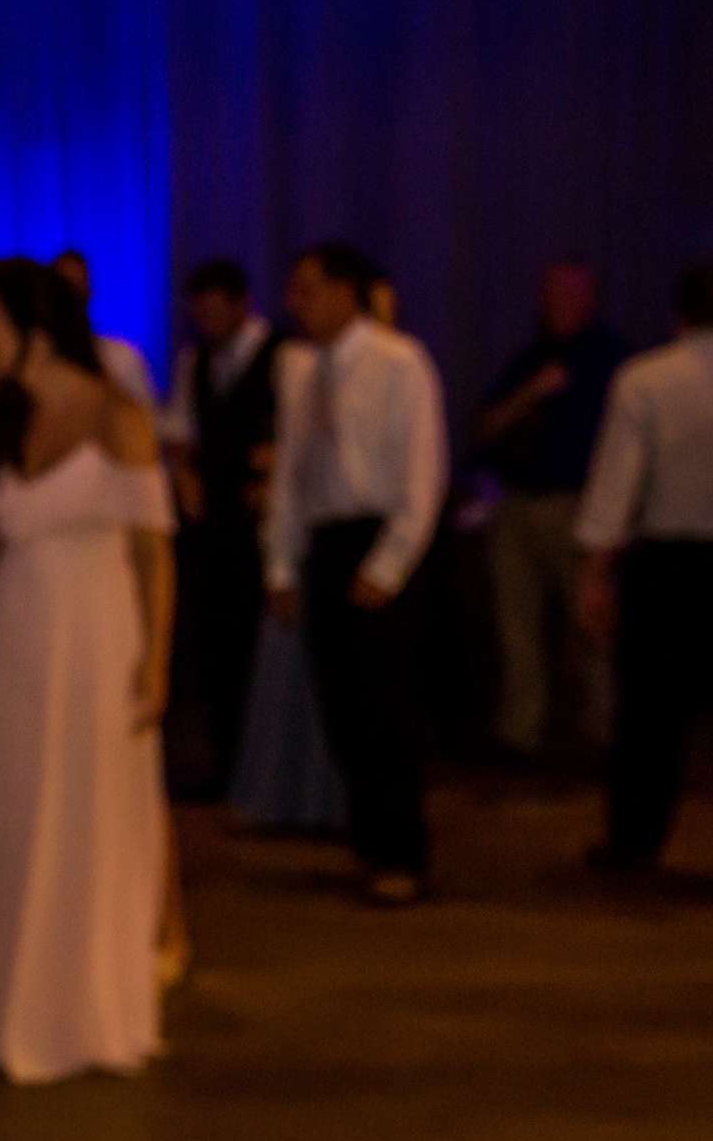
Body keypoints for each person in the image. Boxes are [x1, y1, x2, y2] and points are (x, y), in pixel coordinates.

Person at [0, 258, 174, 1082]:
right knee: (7, 803)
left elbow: (154, 553)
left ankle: (82, 1014)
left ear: (34, 328)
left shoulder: (117, 415)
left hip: (96, 635)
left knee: (87, 811)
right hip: (13, 634)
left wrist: (157, 663)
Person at [264, 243, 448, 906]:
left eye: (309, 289)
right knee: (342, 705)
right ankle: (370, 844)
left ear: (347, 291)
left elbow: (423, 474)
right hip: (326, 543)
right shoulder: (306, 371)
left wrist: (391, 564)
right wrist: (281, 563)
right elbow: (291, 477)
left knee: (388, 706)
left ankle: (403, 851)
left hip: (379, 541)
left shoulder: (400, 361)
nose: (297, 303)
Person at [574, 262, 713, 872]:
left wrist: (595, 570)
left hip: (667, 566)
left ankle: (635, 841)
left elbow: (615, 487)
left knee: (650, 714)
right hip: (671, 561)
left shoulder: (646, 379)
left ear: (677, 313)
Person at [474, 261, 628, 759]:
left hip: (578, 505)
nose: (558, 302)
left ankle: (604, 732)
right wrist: (527, 396)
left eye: (570, 293)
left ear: (589, 298)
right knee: (515, 625)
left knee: (591, 623)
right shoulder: (528, 361)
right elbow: (485, 429)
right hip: (518, 504)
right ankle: (520, 729)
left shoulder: (611, 361)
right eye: (551, 293)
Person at [163, 258, 288, 797]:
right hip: (211, 525)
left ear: (240, 304)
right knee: (214, 644)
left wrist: (275, 476)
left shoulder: (283, 357)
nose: (207, 321)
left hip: (262, 521)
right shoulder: (196, 362)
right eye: (200, 313)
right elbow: (181, 433)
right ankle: (224, 763)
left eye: (216, 311)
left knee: (255, 644)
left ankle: (260, 769)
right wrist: (186, 476)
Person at [52, 248, 158, 406]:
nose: (71, 297)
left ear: (89, 292)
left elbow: (146, 420)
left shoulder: (122, 359)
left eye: (77, 288)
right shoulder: (37, 366)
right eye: (64, 288)